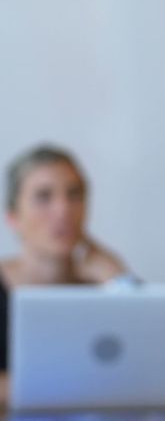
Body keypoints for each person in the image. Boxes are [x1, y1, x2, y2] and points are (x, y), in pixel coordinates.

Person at [0, 145, 130, 389]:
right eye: (43, 197)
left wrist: (120, 280)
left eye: (74, 195)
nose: (63, 211)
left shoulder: (106, 288)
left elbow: (144, 370)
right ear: (13, 217)